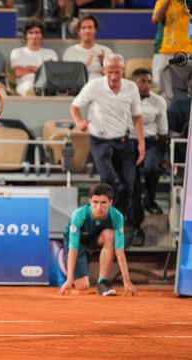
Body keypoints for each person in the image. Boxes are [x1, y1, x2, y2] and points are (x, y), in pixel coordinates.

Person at [70, 54, 145, 246]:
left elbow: (137, 117)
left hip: (123, 141)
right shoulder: (94, 86)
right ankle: (106, 224)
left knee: (129, 186)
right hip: (100, 142)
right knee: (111, 181)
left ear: (123, 71)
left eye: (117, 72)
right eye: (110, 72)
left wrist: (141, 144)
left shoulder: (131, 88)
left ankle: (121, 222)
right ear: (104, 71)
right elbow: (75, 106)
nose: (113, 76)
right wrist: (79, 122)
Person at [57, 183, 137, 296]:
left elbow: (119, 250)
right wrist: (69, 280)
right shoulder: (79, 215)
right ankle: (66, 260)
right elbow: (73, 248)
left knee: (110, 235)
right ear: (89, 201)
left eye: (103, 202)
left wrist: (126, 281)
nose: (99, 207)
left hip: (96, 238)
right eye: (95, 202)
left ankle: (102, 282)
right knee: (82, 286)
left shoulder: (117, 216)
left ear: (110, 202)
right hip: (77, 243)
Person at [130, 68, 168, 220]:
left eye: (149, 82)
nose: (146, 85)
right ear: (133, 82)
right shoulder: (124, 99)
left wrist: (163, 155)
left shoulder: (158, 101)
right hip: (129, 142)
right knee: (131, 177)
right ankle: (133, 206)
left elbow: (162, 131)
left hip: (150, 142)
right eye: (142, 82)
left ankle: (150, 200)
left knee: (152, 168)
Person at [151, 0, 192, 100]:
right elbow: (155, 19)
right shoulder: (163, 1)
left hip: (189, 52)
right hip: (166, 51)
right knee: (161, 92)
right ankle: (164, 109)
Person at [9, 18, 58, 96]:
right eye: (30, 33)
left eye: (37, 32)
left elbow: (52, 74)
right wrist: (41, 69)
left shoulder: (51, 53)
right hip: (25, 83)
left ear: (42, 35)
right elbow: (19, 72)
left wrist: (30, 68)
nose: (34, 36)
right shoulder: (17, 52)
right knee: (31, 89)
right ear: (26, 35)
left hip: (47, 84)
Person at [63, 15, 113, 81]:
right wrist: (85, 64)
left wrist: (103, 63)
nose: (87, 31)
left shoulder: (106, 50)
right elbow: (68, 77)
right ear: (78, 31)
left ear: (95, 30)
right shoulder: (69, 52)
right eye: (83, 28)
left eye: (90, 27)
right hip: (78, 87)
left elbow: (113, 76)